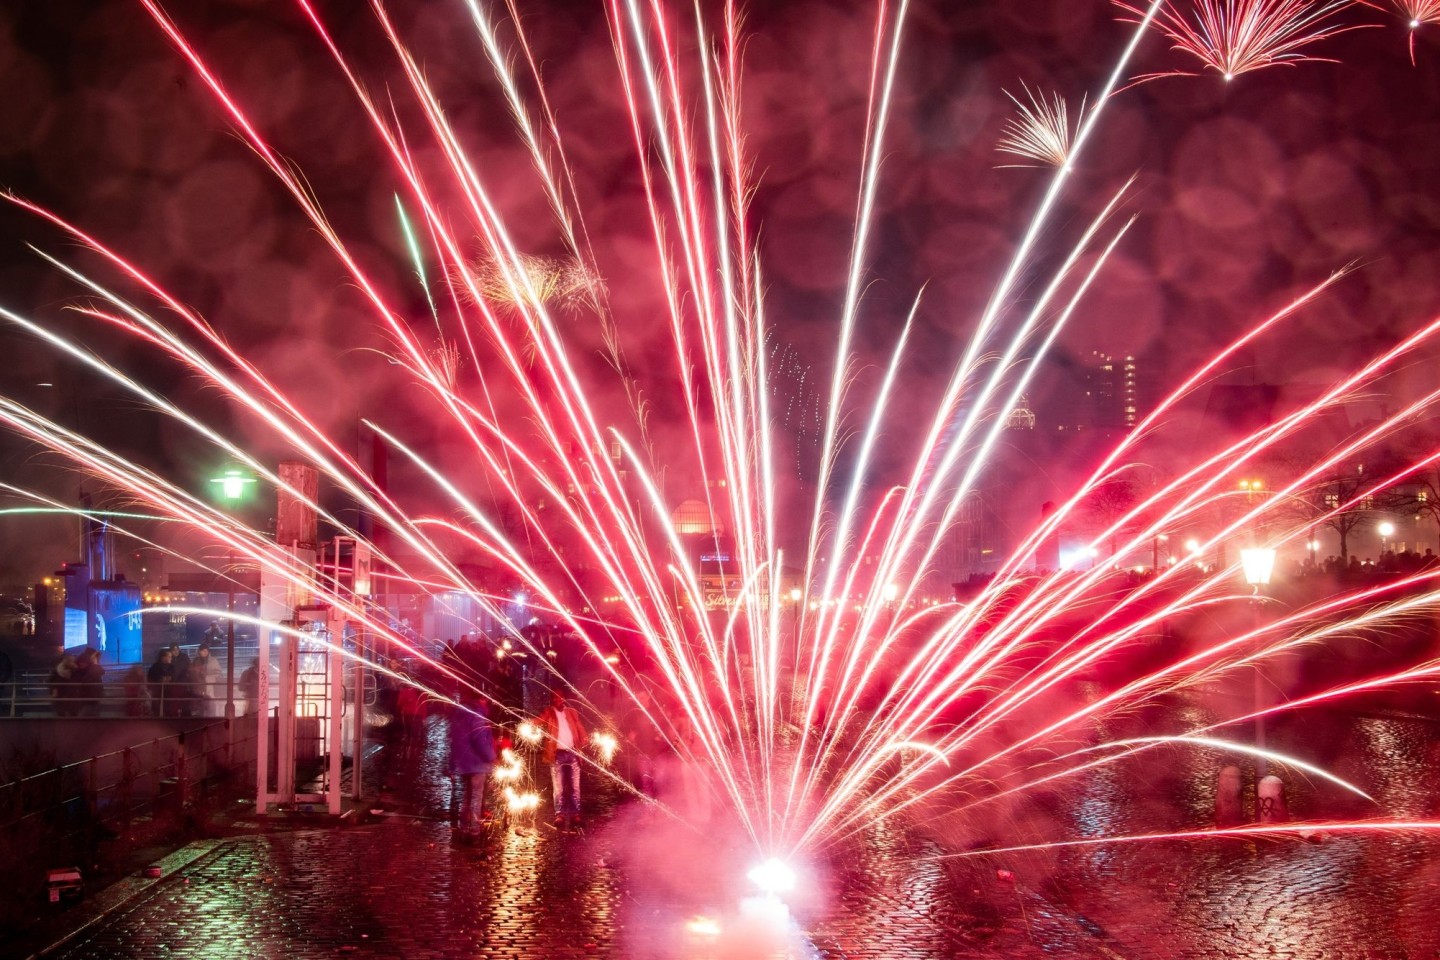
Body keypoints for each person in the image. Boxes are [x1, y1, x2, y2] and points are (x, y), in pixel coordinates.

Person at [447, 694, 497, 843]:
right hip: (477, 763)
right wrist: (492, 757)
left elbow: (453, 741)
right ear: (480, 700)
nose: (486, 703)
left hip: (464, 763)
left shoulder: (459, 715)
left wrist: (452, 764)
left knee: (467, 797)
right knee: (476, 797)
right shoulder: (477, 715)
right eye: (485, 700)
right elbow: (480, 739)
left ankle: (464, 827)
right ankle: (475, 830)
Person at [538, 690, 587, 829]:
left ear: (563, 698)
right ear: (552, 700)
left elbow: (578, 725)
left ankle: (574, 813)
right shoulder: (549, 712)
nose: (558, 700)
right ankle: (559, 814)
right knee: (558, 787)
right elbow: (540, 720)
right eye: (555, 698)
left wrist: (584, 736)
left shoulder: (571, 712)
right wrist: (529, 724)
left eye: (560, 697)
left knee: (574, 786)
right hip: (557, 754)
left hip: (572, 753)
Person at [74, 647, 106, 716]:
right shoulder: (89, 663)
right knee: (90, 712)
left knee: (89, 711)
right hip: (91, 692)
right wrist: (95, 663)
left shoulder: (82, 659)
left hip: (88, 692)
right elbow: (101, 672)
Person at [192, 643, 222, 717]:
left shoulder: (213, 660)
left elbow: (218, 672)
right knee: (200, 704)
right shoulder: (196, 660)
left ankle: (211, 719)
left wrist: (209, 676)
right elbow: (193, 672)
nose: (205, 652)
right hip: (199, 686)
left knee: (210, 704)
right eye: (203, 651)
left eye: (206, 651)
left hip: (210, 685)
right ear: (199, 651)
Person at [49, 651, 79, 717]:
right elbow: (50, 681)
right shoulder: (57, 670)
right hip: (60, 695)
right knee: (61, 715)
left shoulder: (75, 669)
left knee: (73, 715)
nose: (70, 662)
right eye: (68, 660)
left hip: (71, 696)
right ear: (64, 660)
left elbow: (79, 680)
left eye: (71, 660)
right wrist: (53, 689)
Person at [148, 647, 175, 716]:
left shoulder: (172, 667)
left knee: (168, 709)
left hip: (169, 692)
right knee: (157, 709)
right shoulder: (155, 667)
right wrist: (160, 680)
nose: (171, 658)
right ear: (163, 657)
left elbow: (174, 678)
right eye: (169, 656)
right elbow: (151, 679)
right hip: (158, 692)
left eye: (171, 656)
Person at [169, 644, 193, 716]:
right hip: (173, 684)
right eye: (174, 650)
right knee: (174, 703)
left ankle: (186, 718)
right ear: (171, 651)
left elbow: (190, 667)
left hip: (184, 683)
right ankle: (174, 718)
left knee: (185, 703)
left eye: (177, 649)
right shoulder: (169, 658)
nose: (176, 651)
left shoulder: (184, 657)